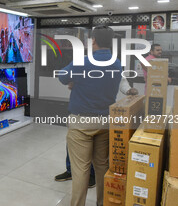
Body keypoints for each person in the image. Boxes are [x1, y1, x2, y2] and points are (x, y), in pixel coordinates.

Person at [58, 25, 122, 206]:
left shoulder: (84, 61)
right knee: (102, 167)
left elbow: (63, 77)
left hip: (82, 123)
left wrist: (75, 81)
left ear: (93, 40)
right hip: (105, 122)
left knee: (80, 170)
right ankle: (103, 203)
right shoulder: (117, 63)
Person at [54, 77, 138, 188]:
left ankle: (92, 174)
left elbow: (121, 80)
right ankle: (70, 170)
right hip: (80, 111)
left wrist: (128, 90)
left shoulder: (111, 65)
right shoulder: (85, 63)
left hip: (100, 113)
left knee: (96, 147)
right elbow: (68, 77)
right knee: (72, 142)